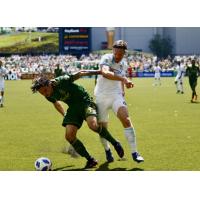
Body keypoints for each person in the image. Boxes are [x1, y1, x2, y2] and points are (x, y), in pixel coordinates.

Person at [31, 70, 124, 169]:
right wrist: (65, 115)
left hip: (85, 102)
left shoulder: (62, 81)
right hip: (73, 108)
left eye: (45, 90)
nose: (45, 94)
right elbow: (56, 103)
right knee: (69, 136)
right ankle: (90, 160)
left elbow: (80, 73)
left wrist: (100, 72)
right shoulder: (48, 96)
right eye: (42, 93)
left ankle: (115, 143)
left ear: (49, 84)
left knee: (93, 125)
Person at [94, 40, 144, 163]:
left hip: (116, 95)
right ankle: (107, 150)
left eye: (120, 54)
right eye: (116, 53)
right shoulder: (106, 58)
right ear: (113, 51)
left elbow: (122, 80)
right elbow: (105, 73)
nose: (117, 56)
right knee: (102, 128)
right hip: (101, 96)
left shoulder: (124, 64)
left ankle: (134, 152)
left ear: (124, 53)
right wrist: (124, 79)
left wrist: (123, 91)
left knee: (126, 120)